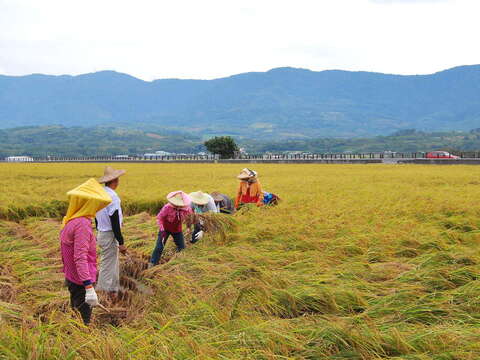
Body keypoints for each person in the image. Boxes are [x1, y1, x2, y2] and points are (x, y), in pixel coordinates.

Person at [60, 178, 112, 325]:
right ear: (88, 204)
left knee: (76, 313)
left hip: (72, 277)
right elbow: (80, 257)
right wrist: (88, 287)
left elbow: (67, 254)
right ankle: (82, 345)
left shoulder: (71, 220)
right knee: (84, 321)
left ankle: (72, 338)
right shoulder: (82, 225)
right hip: (81, 280)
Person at [95, 166, 127, 299]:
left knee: (113, 262)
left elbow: (95, 217)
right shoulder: (113, 197)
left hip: (102, 233)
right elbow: (114, 221)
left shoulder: (99, 194)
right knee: (107, 265)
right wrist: (121, 242)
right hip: (109, 234)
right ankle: (103, 294)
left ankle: (113, 290)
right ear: (114, 181)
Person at [149, 191, 193, 267]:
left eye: (180, 205)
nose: (178, 206)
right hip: (165, 229)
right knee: (159, 247)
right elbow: (159, 218)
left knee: (181, 247)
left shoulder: (186, 209)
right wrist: (162, 229)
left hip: (177, 230)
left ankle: (178, 263)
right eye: (176, 204)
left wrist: (189, 227)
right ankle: (152, 264)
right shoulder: (167, 208)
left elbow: (190, 218)